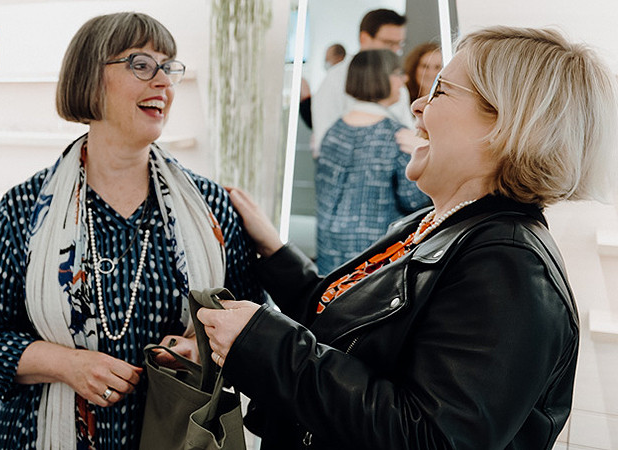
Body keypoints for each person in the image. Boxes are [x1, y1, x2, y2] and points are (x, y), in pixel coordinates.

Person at [196, 25, 618, 449]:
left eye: (440, 91)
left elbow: (429, 438)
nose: (417, 105)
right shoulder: (430, 225)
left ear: (506, 123)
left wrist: (268, 346)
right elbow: (339, 325)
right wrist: (274, 251)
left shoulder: (508, 266)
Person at [0, 12, 264, 449]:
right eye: (141, 64)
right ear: (89, 77)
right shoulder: (24, 209)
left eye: (169, 66)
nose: (164, 81)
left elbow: (248, 320)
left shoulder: (210, 207)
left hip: (175, 434)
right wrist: (68, 365)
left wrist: (201, 350)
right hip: (44, 434)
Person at [316, 49, 429, 274]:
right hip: (374, 257)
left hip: (330, 248)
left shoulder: (333, 131)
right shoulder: (398, 137)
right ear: (381, 78)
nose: (404, 79)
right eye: (398, 73)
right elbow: (414, 201)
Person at [311, 9, 413, 157]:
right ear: (364, 38)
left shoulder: (398, 84)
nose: (395, 51)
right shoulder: (335, 79)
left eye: (399, 44)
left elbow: (407, 132)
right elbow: (325, 140)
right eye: (389, 43)